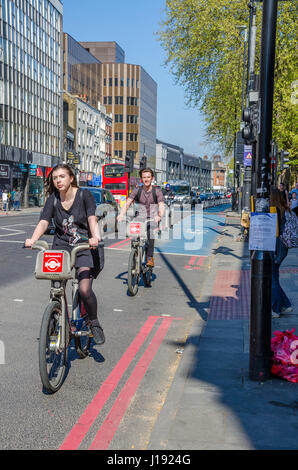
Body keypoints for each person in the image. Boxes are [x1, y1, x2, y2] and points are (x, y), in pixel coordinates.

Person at [25, 164, 105, 345]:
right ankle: (57, 318)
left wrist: (95, 237)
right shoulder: (53, 199)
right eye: (55, 178)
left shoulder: (85, 195)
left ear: (71, 178)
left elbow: (92, 218)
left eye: (62, 177)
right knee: (56, 287)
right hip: (61, 247)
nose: (58, 181)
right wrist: (33, 239)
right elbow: (44, 222)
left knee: (84, 289)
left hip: (85, 246)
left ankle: (93, 322)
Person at [117, 167, 165, 268]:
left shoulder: (157, 191)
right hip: (140, 217)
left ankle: (149, 257)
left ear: (152, 178)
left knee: (149, 232)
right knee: (134, 234)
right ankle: (134, 256)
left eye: (148, 177)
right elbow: (128, 203)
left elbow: (161, 205)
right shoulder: (137, 190)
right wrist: (121, 214)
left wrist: (159, 215)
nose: (146, 179)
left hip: (153, 217)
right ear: (141, 179)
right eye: (144, 177)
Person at [270, 187, 292, 318]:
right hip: (283, 248)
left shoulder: (275, 211)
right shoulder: (283, 209)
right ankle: (285, 305)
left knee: (272, 278)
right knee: (274, 277)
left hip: (276, 248)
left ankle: (276, 308)